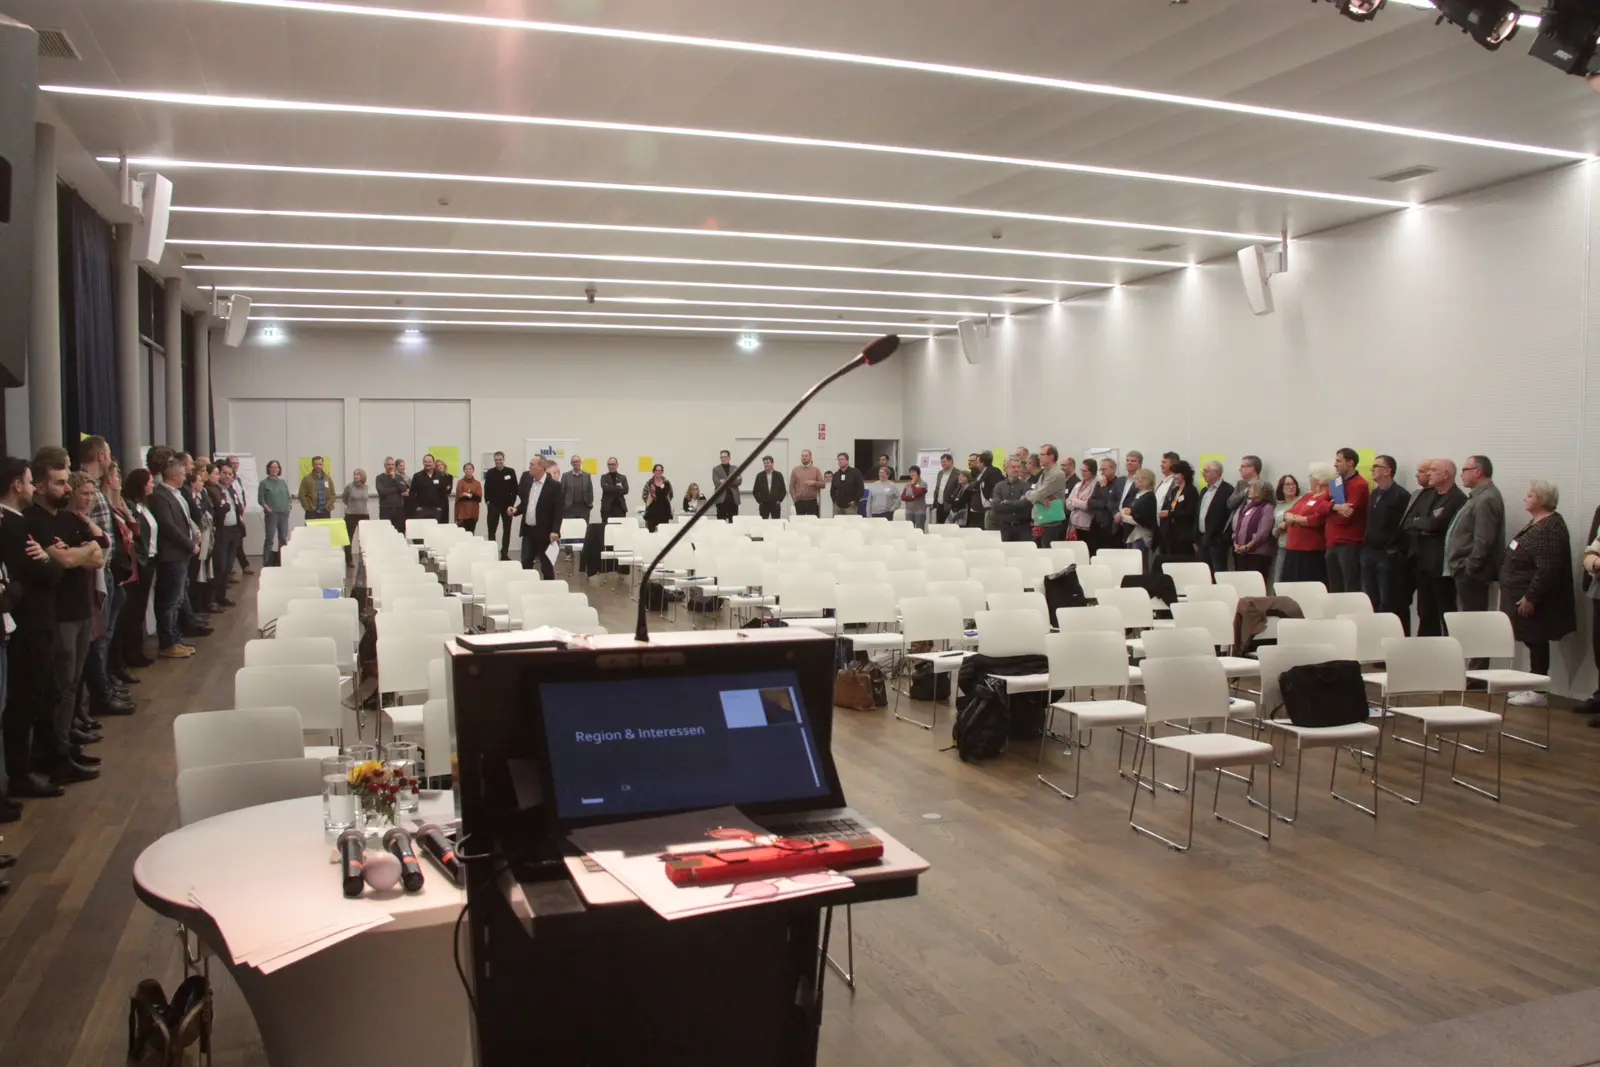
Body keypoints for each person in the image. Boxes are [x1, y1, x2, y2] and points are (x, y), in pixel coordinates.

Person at [1, 456, 72, 804]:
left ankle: (36, 764)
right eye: (30, 482)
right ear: (17, 484)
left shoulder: (16, 523)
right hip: (28, 625)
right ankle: (21, 772)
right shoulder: (13, 526)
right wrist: (47, 560)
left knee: (41, 695)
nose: (32, 488)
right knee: (25, 702)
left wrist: (47, 562)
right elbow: (48, 573)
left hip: (33, 621)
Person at [35, 465, 105, 786]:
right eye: (61, 483)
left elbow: (98, 555)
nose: (67, 489)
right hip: (60, 612)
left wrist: (79, 553)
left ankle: (66, 746)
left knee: (73, 683)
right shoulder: (36, 520)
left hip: (81, 607)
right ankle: (57, 753)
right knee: (62, 686)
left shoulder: (68, 520)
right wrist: (81, 553)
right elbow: (65, 560)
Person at [1496, 480, 1575, 709]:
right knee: (1532, 641)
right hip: (1520, 594)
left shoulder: (1548, 528)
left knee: (1537, 641)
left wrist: (1531, 597)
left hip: (1535, 600)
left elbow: (1547, 569)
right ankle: (1533, 686)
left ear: (1542, 499)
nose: (1525, 498)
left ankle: (1538, 691)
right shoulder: (1537, 523)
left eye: (1530, 495)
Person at [1408, 459, 1467, 636]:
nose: (1429, 473)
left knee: (1445, 611)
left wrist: (1422, 523)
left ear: (1446, 474)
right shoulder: (1428, 494)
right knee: (1425, 611)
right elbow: (1410, 521)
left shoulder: (1457, 498)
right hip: (1422, 562)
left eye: (1433, 470)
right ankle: (1426, 648)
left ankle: (1449, 647)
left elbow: (1436, 524)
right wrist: (1423, 523)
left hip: (1441, 566)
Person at [1447, 454, 1506, 622]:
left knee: (1473, 622)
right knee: (1467, 621)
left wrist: (1469, 568)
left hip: (1473, 575)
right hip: (1467, 571)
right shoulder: (1478, 496)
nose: (1461, 474)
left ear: (1478, 471)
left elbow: (1484, 540)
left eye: (1465, 470)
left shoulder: (1486, 498)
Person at [116, 468, 157, 673]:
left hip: (149, 560)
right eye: (150, 481)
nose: (152, 484)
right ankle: (131, 653)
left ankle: (136, 650)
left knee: (140, 609)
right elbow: (136, 535)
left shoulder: (143, 505)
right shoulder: (130, 506)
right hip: (139, 563)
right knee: (133, 610)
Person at [1392, 458, 1436, 636]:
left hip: (1424, 557)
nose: (1417, 474)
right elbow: (1409, 521)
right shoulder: (1417, 494)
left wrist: (1416, 522)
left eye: (1421, 471)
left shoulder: (1437, 496)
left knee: (1426, 608)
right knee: (1399, 601)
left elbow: (1429, 523)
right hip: (1406, 555)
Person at [1361, 455, 1409, 615]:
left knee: (1387, 600)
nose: (1372, 469)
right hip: (1369, 551)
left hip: (1387, 554)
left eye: (1376, 466)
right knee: (1371, 599)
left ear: (1387, 471)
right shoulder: (1375, 493)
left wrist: (1394, 548)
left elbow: (1404, 526)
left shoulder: (1400, 495)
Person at [1324, 448, 1369, 594]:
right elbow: (1319, 506)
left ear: (1350, 463)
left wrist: (1329, 510)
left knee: (1350, 587)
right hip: (1332, 541)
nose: (1335, 464)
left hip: (1348, 543)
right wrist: (1335, 507)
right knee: (1334, 587)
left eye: (1339, 461)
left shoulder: (1359, 484)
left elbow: (1345, 516)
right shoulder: (1336, 482)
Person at [1279, 464, 1333, 583]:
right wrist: (1295, 518)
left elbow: (1316, 519)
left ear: (1319, 479)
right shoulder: (1308, 495)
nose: (1309, 479)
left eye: (1311, 476)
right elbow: (1289, 512)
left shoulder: (1327, 497)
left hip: (1310, 550)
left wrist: (1294, 519)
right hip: (1293, 548)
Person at [512, 458, 561, 578]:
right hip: (528, 531)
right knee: (526, 562)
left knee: (546, 566)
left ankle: (549, 588)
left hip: (545, 532)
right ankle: (528, 586)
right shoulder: (528, 482)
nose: (529, 466)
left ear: (541, 467)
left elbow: (558, 510)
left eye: (532, 464)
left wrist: (555, 530)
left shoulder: (554, 486)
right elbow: (526, 503)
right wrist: (516, 510)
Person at [1153, 460, 1199, 573]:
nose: (1174, 476)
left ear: (1184, 474)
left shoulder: (1191, 491)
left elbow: (1190, 512)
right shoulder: (1175, 491)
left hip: (1184, 534)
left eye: (1176, 473)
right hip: (1172, 532)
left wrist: (1170, 513)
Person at [209, 464, 242, 610]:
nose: (227, 476)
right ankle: (213, 599)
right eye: (224, 473)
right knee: (220, 566)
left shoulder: (231, 489)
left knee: (228, 565)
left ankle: (221, 596)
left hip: (234, 530)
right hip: (222, 531)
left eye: (230, 474)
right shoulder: (214, 490)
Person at [1231, 478, 1276, 581]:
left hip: (1257, 554)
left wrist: (1247, 546)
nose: (1249, 490)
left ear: (1260, 491)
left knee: (1254, 584)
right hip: (1241, 552)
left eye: (1252, 487)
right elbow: (1237, 526)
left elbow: (1262, 533)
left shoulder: (1267, 508)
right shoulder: (1247, 506)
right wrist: (1236, 543)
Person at [1195, 459, 1234, 574]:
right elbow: (1198, 514)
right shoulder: (1204, 490)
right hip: (1202, 538)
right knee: (1203, 571)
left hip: (1217, 540)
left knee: (1218, 570)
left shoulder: (1227, 490)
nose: (1203, 474)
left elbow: (1229, 516)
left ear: (1216, 473)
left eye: (1206, 471)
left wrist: (1223, 538)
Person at [1025, 444, 1068, 547]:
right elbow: (1035, 493)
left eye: (1042, 454)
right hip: (1041, 520)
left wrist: (1033, 496)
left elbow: (1038, 495)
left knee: (1048, 553)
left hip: (1051, 523)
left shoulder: (1056, 474)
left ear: (1051, 457)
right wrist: (1034, 496)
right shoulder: (1045, 473)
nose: (1038, 457)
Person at [482, 453, 518, 558]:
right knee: (491, 530)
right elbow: (486, 488)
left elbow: (515, 488)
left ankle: (504, 553)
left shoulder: (510, 472)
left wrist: (512, 503)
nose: (498, 461)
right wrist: (487, 501)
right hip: (493, 506)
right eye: (496, 460)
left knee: (507, 530)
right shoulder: (490, 472)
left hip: (507, 506)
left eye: (500, 459)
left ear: (503, 459)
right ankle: (492, 553)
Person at [1121, 468, 1159, 566]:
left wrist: (1123, 516)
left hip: (1141, 536)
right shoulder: (1139, 495)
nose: (1135, 482)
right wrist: (1128, 510)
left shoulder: (1149, 497)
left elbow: (1142, 518)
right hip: (1133, 534)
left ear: (1144, 481)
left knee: (1140, 564)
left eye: (1137, 479)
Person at [1064, 459, 1105, 547]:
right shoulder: (1078, 484)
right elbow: (1067, 503)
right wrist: (1078, 502)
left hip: (1086, 524)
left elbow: (1087, 505)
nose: (1083, 473)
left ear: (1092, 471)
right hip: (1073, 523)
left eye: (1085, 471)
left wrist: (1075, 501)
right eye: (1081, 470)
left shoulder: (1096, 485)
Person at [258, 459, 291, 564]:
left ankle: (282, 561)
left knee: (283, 538)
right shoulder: (264, 483)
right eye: (272, 467)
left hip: (283, 514)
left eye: (276, 467)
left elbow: (288, 496)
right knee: (270, 538)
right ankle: (267, 562)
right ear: (268, 469)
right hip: (272, 515)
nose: (274, 469)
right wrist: (267, 508)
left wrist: (289, 506)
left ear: (279, 469)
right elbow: (261, 499)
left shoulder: (282, 482)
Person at [1271, 474, 1301, 587]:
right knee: (1278, 579)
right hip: (1283, 546)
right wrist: (1279, 528)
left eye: (1293, 484)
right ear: (1281, 488)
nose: (1291, 487)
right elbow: (1274, 532)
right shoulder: (1278, 507)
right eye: (1287, 484)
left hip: (1297, 547)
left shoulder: (1301, 501)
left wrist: (1290, 522)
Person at [990, 459, 1030, 542]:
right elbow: (996, 506)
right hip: (1004, 528)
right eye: (1013, 467)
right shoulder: (999, 486)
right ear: (1006, 469)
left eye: (1018, 467)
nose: (1016, 469)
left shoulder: (1026, 486)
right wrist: (1018, 502)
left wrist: (1006, 502)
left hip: (1023, 527)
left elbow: (1025, 504)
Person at [341, 468, 371, 563]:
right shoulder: (350, 486)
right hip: (351, 514)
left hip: (364, 514)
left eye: (358, 474)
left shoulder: (366, 487)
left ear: (362, 476)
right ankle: (349, 560)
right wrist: (351, 506)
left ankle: (363, 559)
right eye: (355, 474)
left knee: (364, 539)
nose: (356, 476)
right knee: (348, 538)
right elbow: (344, 498)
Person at [1109, 450, 1141, 532]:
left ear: (1139, 464)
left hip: (1131, 525)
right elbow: (1111, 500)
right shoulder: (1119, 480)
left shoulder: (1142, 482)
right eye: (1127, 460)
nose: (1129, 463)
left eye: (1133, 461)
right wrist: (1115, 513)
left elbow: (1141, 502)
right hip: (1116, 523)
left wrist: (1124, 514)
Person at [409, 454, 447, 522]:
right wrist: (416, 507)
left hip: (436, 510)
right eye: (425, 462)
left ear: (433, 463)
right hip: (421, 510)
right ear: (423, 463)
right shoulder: (417, 476)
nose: (428, 464)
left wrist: (440, 507)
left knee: (435, 528)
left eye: (429, 462)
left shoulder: (440, 476)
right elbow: (412, 492)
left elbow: (443, 493)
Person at [969, 452, 1002, 530]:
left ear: (982, 463)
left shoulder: (993, 471)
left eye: (978, 462)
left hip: (991, 506)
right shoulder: (982, 473)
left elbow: (997, 486)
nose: (977, 465)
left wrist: (992, 499)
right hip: (984, 507)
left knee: (990, 530)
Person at [373, 457, 405, 536]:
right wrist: (396, 489)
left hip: (398, 508)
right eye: (388, 464)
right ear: (385, 466)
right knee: (385, 533)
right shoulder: (379, 478)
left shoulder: (398, 477)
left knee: (399, 532)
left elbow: (403, 489)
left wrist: (394, 479)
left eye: (392, 464)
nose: (390, 466)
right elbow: (382, 492)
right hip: (385, 509)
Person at [298, 456, 335, 521]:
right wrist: (308, 507)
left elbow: (333, 494)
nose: (318, 466)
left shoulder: (328, 478)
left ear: (323, 465)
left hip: (325, 511)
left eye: (320, 464)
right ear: (313, 465)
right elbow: (301, 495)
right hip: (311, 512)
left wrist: (328, 505)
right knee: (311, 528)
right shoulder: (306, 479)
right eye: (316, 464)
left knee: (325, 528)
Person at [789, 450, 824, 517]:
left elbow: (823, 484)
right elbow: (791, 487)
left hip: (812, 502)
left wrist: (814, 483)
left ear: (810, 457)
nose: (804, 457)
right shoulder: (795, 470)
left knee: (812, 522)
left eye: (806, 456)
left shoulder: (816, 470)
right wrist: (795, 500)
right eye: (802, 456)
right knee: (800, 522)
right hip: (799, 502)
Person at [828, 453, 863, 518]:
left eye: (842, 459)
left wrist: (855, 501)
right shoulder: (836, 475)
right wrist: (834, 501)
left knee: (850, 523)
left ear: (847, 460)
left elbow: (860, 488)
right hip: (837, 507)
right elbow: (832, 490)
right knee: (837, 523)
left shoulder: (855, 472)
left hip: (850, 506)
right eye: (839, 459)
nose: (840, 461)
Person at [561, 455, 594, 524]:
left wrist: (589, 505)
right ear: (571, 463)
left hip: (583, 508)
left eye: (577, 461)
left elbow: (590, 491)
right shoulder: (565, 476)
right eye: (574, 462)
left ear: (580, 462)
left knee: (583, 528)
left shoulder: (587, 475)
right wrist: (564, 506)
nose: (576, 463)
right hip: (569, 509)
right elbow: (562, 492)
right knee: (570, 528)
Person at [641, 465, 674, 532]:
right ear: (654, 471)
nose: (658, 472)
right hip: (652, 512)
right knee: (651, 532)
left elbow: (670, 494)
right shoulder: (649, 483)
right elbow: (644, 495)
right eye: (656, 470)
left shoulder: (667, 483)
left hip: (664, 512)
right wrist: (649, 501)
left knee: (664, 532)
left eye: (660, 470)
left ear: (662, 472)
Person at [929, 453, 959, 525]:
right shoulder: (940, 473)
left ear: (950, 461)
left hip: (950, 505)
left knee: (949, 527)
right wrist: (935, 503)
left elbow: (958, 489)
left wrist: (953, 499)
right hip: (939, 505)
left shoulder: (958, 473)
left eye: (944, 462)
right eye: (941, 462)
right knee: (939, 525)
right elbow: (937, 489)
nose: (942, 464)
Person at [711, 450, 741, 522]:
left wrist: (724, 481)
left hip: (733, 499)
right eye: (721, 457)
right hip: (721, 499)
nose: (723, 459)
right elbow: (716, 482)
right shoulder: (716, 469)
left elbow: (739, 481)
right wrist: (731, 480)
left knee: (733, 521)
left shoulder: (735, 468)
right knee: (721, 521)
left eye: (724, 457)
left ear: (729, 457)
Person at [453, 464, 482, 534]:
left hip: (473, 512)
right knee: (462, 534)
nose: (468, 470)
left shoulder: (477, 483)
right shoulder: (460, 482)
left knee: (471, 533)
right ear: (464, 470)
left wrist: (467, 494)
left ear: (473, 470)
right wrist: (472, 495)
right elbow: (460, 496)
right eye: (467, 469)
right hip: (462, 512)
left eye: (470, 469)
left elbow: (478, 498)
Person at [599, 458, 629, 523]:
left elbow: (625, 490)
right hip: (607, 509)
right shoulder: (604, 477)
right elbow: (605, 488)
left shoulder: (622, 477)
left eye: (613, 464)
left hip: (620, 508)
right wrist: (618, 487)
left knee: (620, 527)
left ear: (617, 465)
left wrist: (610, 487)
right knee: (607, 527)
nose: (611, 466)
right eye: (609, 464)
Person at [900, 466, 929, 531]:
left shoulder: (923, 483)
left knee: (920, 530)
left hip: (919, 511)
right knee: (909, 530)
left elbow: (917, 493)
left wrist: (913, 484)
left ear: (918, 473)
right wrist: (912, 497)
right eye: (910, 472)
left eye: (913, 472)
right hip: (909, 511)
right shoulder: (907, 484)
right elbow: (902, 497)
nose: (911, 473)